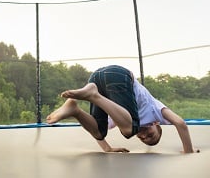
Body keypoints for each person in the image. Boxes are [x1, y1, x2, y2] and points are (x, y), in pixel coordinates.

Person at [46, 65, 199, 153]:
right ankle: (93, 95)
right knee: (129, 130)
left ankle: (74, 109)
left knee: (100, 131)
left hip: (96, 78)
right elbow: (180, 123)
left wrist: (107, 148)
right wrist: (188, 151)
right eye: (151, 135)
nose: (144, 136)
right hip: (119, 75)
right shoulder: (156, 111)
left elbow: (98, 135)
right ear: (156, 125)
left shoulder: (118, 117)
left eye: (143, 139)